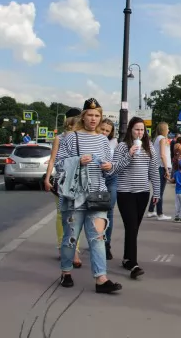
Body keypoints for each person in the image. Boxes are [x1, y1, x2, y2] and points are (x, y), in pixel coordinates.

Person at [55, 98, 122, 293]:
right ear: (83, 116)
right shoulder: (71, 137)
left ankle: (101, 278)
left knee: (98, 237)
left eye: (97, 116)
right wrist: (77, 161)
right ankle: (66, 272)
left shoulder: (103, 140)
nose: (93, 119)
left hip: (97, 194)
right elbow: (59, 165)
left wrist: (109, 167)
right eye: (90, 115)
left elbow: (109, 170)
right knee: (71, 237)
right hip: (74, 196)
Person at [111, 117, 161, 279]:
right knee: (131, 226)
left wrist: (157, 192)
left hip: (143, 193)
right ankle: (133, 264)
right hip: (125, 193)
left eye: (142, 130)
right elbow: (114, 169)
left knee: (134, 228)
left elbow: (154, 171)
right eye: (136, 129)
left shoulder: (149, 148)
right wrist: (129, 155)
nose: (139, 133)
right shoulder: (122, 147)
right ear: (130, 131)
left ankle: (127, 258)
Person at [44, 108, 82, 267]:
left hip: (78, 182)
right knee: (62, 216)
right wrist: (47, 179)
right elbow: (52, 159)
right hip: (61, 182)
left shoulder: (82, 138)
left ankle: (75, 252)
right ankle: (62, 248)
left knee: (76, 216)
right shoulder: (59, 138)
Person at [99, 118, 118, 260]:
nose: (104, 132)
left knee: (109, 209)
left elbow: (117, 162)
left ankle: (107, 245)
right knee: (96, 211)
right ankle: (97, 241)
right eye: (103, 129)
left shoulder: (115, 143)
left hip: (111, 177)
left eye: (107, 131)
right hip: (97, 177)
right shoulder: (94, 140)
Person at [148, 122, 172, 220]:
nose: (169, 130)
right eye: (168, 128)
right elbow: (162, 155)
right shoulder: (162, 139)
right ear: (164, 129)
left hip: (158, 166)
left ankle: (151, 210)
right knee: (160, 191)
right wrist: (166, 169)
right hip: (161, 167)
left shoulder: (157, 139)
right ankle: (160, 214)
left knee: (157, 191)